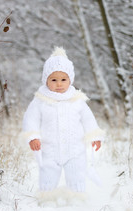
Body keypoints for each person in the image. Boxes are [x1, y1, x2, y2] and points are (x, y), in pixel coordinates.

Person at [22, 46, 104, 193]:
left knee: (76, 173)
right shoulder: (41, 100)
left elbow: (88, 119)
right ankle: (46, 196)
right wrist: (33, 136)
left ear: (70, 80)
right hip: (49, 148)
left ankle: (77, 196)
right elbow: (30, 118)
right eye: (54, 80)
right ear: (46, 80)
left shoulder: (77, 99)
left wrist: (94, 136)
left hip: (75, 149)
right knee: (47, 174)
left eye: (63, 79)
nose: (59, 84)